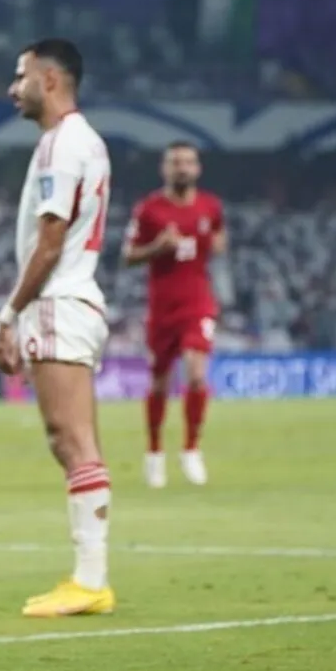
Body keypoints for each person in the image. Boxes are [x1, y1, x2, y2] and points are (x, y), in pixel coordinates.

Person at [0, 38, 115, 618]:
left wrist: (8, 314)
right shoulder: (85, 141)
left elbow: (49, 243)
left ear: (49, 80)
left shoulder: (60, 146)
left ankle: (90, 580)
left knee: (70, 440)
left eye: (20, 77)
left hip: (58, 302)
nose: (12, 88)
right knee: (76, 440)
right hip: (76, 299)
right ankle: (90, 576)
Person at [123, 142, 226, 488]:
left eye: (188, 162)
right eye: (175, 162)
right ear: (164, 169)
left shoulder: (210, 206)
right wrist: (157, 247)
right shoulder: (149, 209)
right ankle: (154, 453)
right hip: (162, 308)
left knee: (196, 375)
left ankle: (191, 449)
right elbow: (128, 256)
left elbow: (218, 237)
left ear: (197, 168)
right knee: (159, 383)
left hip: (198, 303)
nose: (182, 168)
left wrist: (215, 243)